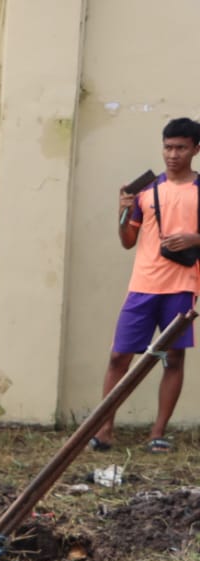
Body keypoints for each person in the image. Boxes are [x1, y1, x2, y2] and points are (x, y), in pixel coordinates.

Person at [92, 116, 200, 454]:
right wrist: (122, 211)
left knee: (173, 360)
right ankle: (105, 428)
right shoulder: (147, 190)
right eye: (168, 147)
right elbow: (128, 240)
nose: (173, 154)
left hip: (182, 286)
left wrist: (194, 237)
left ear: (196, 149)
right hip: (143, 285)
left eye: (181, 148)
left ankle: (157, 433)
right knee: (118, 357)